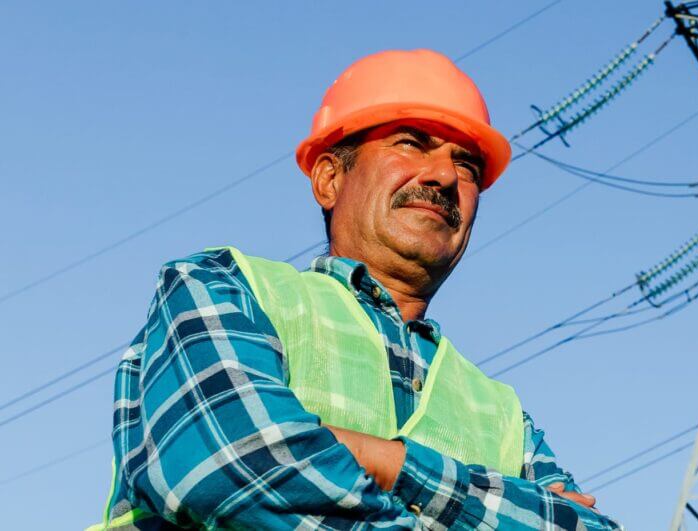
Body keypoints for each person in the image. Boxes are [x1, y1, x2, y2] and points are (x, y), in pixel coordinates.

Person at [94, 49, 621, 530]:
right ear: (328, 179)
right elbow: (233, 469)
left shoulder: (503, 414)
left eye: (468, 165)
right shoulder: (225, 288)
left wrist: (380, 459)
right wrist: (500, 503)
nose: (443, 175)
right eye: (412, 143)